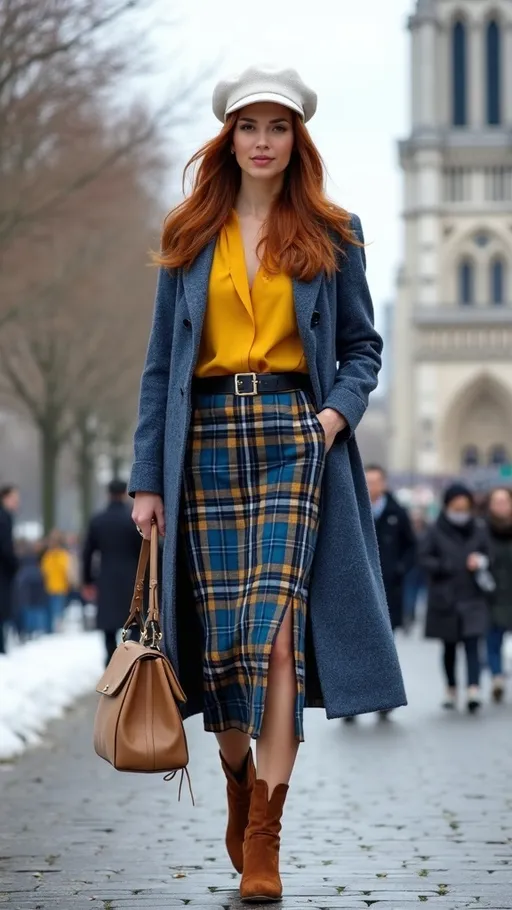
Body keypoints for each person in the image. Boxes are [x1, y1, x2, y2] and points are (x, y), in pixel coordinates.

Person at [129, 65, 406, 903]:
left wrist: (332, 418)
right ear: (228, 138)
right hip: (203, 445)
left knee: (278, 637)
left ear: (297, 140)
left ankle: (264, 835)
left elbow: (363, 349)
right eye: (248, 126)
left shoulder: (334, 232)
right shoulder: (188, 233)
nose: (261, 140)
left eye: (276, 127)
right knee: (222, 648)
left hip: (293, 440)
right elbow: (157, 372)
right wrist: (147, 481)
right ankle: (239, 782)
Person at [419, 483, 491, 714]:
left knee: (473, 644)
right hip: (446, 598)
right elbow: (424, 558)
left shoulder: (479, 529)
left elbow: (489, 555)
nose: (461, 512)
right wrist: (445, 566)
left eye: (465, 507)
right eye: (456, 507)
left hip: (472, 597)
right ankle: (451, 688)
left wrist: (480, 561)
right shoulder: (434, 530)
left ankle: (473, 689)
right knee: (449, 647)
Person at [82, 479, 142, 665]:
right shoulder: (132, 519)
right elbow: (142, 549)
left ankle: (110, 659)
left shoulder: (98, 520)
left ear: (108, 493)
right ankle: (129, 659)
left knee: (108, 623)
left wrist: (87, 581)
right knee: (133, 619)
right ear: (125, 492)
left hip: (106, 576)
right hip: (131, 577)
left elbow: (88, 553)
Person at [365, 465, 417, 632]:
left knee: (387, 633)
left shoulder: (397, 512)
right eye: (368, 482)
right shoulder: (354, 512)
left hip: (390, 584)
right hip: (362, 582)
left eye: (375, 481)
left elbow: (411, 545)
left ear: (383, 483)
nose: (371, 486)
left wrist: (400, 568)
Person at [485, 487, 512, 703]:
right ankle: (497, 678)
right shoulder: (481, 530)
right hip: (491, 594)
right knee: (492, 641)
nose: (501, 506)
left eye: (504, 501)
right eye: (496, 501)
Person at [13, 539, 48, 639]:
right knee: (36, 609)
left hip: (25, 589)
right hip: (35, 587)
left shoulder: (21, 562)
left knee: (27, 609)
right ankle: (36, 630)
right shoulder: (37, 561)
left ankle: (27, 630)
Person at [0, 485, 20, 653]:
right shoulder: (4, 518)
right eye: (14, 498)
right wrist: (15, 564)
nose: (17, 502)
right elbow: (6, 547)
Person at [40, 530, 71, 633]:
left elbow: (66, 570)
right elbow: (44, 570)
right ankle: (52, 628)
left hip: (60, 586)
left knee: (58, 609)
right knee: (52, 609)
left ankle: (57, 627)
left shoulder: (62, 555)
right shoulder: (48, 556)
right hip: (50, 587)